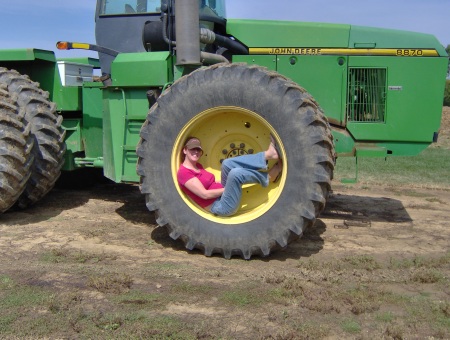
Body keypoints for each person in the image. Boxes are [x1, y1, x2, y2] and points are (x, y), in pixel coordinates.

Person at [177, 136, 282, 216]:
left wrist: (227, 186)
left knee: (227, 163)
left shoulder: (198, 166)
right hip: (221, 205)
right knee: (235, 174)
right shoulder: (183, 173)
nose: (196, 152)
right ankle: (268, 177)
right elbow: (205, 195)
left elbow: (211, 183)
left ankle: (268, 155)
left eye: (198, 149)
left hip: (222, 194)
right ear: (185, 150)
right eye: (192, 149)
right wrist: (229, 188)